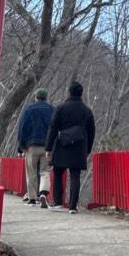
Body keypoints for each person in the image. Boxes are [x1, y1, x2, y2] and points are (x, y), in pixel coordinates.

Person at [45, 81, 95, 214]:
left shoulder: (61, 108)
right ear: (81, 93)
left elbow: (53, 128)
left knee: (57, 173)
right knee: (75, 175)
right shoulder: (87, 110)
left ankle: (57, 202)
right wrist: (87, 149)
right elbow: (91, 132)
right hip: (79, 146)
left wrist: (48, 148)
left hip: (62, 144)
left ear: (69, 92)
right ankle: (73, 206)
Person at [17, 88, 55, 207]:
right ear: (46, 97)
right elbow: (54, 128)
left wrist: (21, 146)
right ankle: (43, 193)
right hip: (47, 146)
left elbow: (23, 128)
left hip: (31, 145)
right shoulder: (51, 110)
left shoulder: (29, 109)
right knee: (44, 171)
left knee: (31, 171)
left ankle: (32, 198)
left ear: (36, 97)